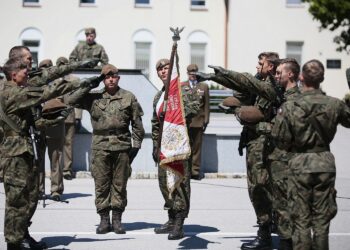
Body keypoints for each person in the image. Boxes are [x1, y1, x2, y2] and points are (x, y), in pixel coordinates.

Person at [0, 57, 100, 250]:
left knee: (28, 197)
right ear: (14, 75)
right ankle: (14, 243)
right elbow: (47, 91)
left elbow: (34, 122)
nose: (27, 72)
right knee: (16, 200)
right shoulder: (12, 93)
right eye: (24, 70)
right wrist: (81, 83)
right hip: (14, 154)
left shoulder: (14, 90)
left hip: (23, 149)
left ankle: (21, 236)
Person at [197, 52, 279, 250]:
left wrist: (238, 111)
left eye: (261, 64)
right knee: (261, 187)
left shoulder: (271, 85)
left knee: (259, 188)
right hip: (256, 141)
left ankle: (266, 234)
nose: (257, 67)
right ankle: (270, 227)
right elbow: (243, 85)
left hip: (264, 142)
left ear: (270, 67)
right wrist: (216, 77)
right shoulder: (262, 81)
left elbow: (252, 96)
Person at [272, 60, 350, 250]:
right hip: (325, 163)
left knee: (301, 222)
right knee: (322, 223)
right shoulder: (335, 104)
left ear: (301, 77)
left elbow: (280, 139)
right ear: (322, 78)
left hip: (299, 164)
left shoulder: (290, 106)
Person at [68, 64, 145, 234]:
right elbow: (71, 100)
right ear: (103, 79)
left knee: (119, 184)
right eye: (106, 76)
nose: (110, 79)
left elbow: (138, 126)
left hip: (122, 146)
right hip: (100, 146)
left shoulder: (128, 97)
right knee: (101, 184)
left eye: (113, 76)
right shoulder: (93, 97)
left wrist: (136, 146)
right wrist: (90, 84)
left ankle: (117, 219)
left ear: (118, 77)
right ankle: (103, 220)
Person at [151, 59, 199, 240]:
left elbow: (195, 107)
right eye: (160, 70)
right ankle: (171, 219)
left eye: (166, 68)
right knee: (165, 184)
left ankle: (179, 223)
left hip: (178, 145)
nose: (163, 72)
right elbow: (155, 123)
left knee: (179, 183)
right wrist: (155, 145)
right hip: (163, 147)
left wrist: (175, 111)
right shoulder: (158, 96)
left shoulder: (182, 92)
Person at [38, 59, 66, 201]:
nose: (46, 70)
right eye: (43, 68)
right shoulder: (34, 84)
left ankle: (56, 190)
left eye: (49, 68)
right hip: (39, 127)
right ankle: (39, 189)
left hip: (55, 126)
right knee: (39, 160)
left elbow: (64, 102)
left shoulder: (59, 84)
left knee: (56, 159)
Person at [55, 57, 82, 180]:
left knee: (68, 144)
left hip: (70, 116)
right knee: (55, 145)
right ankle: (56, 169)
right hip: (55, 118)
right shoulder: (53, 81)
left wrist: (78, 117)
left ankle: (67, 169)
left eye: (64, 64)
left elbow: (78, 99)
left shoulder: (75, 80)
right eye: (59, 64)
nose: (62, 66)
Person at [181, 64, 210, 180]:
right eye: (190, 74)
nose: (192, 75)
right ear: (187, 74)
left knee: (197, 148)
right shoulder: (182, 85)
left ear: (197, 73)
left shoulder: (203, 86)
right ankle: (186, 170)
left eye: (194, 73)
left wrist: (206, 121)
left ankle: (195, 171)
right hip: (186, 122)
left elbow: (207, 105)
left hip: (198, 122)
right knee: (186, 147)